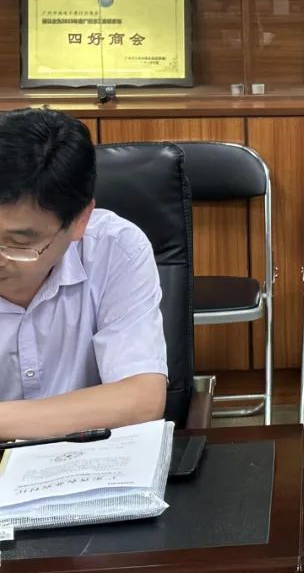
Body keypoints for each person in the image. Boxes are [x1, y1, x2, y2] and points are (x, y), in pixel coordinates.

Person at [0, 108, 167, 438]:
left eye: (19, 242)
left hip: (86, 456)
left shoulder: (114, 248)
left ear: (80, 220)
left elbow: (142, 399)